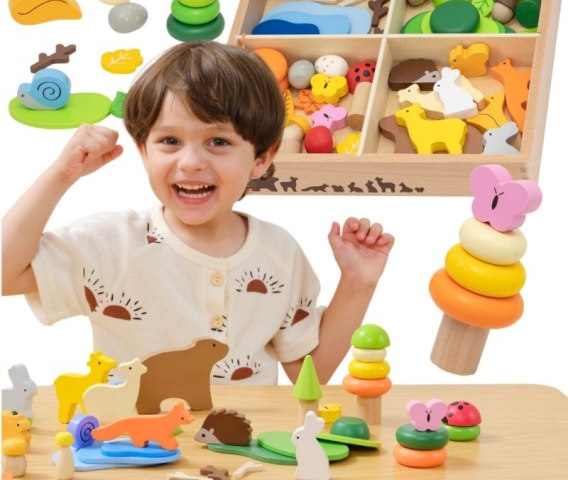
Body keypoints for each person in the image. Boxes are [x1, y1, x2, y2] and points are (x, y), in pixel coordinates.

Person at [2, 41, 394, 385]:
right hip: (131, 441)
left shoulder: (279, 253)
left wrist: (358, 283)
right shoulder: (111, 243)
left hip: (245, 443)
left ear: (262, 157)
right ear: (143, 151)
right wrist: (62, 174)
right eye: (170, 140)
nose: (190, 162)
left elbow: (310, 372)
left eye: (218, 141)